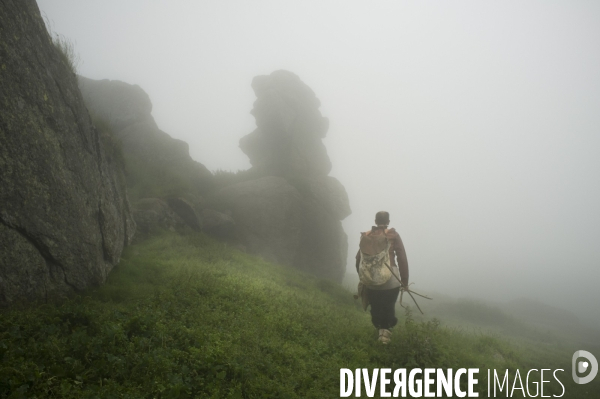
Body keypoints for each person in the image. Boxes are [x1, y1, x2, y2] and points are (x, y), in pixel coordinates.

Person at [356, 211, 409, 344]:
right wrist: (404, 280)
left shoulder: (367, 236)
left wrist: (362, 277)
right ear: (388, 222)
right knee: (388, 306)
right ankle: (385, 335)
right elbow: (401, 257)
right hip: (391, 278)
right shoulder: (393, 235)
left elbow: (359, 258)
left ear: (375, 221)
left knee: (376, 307)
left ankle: (380, 331)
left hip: (371, 278)